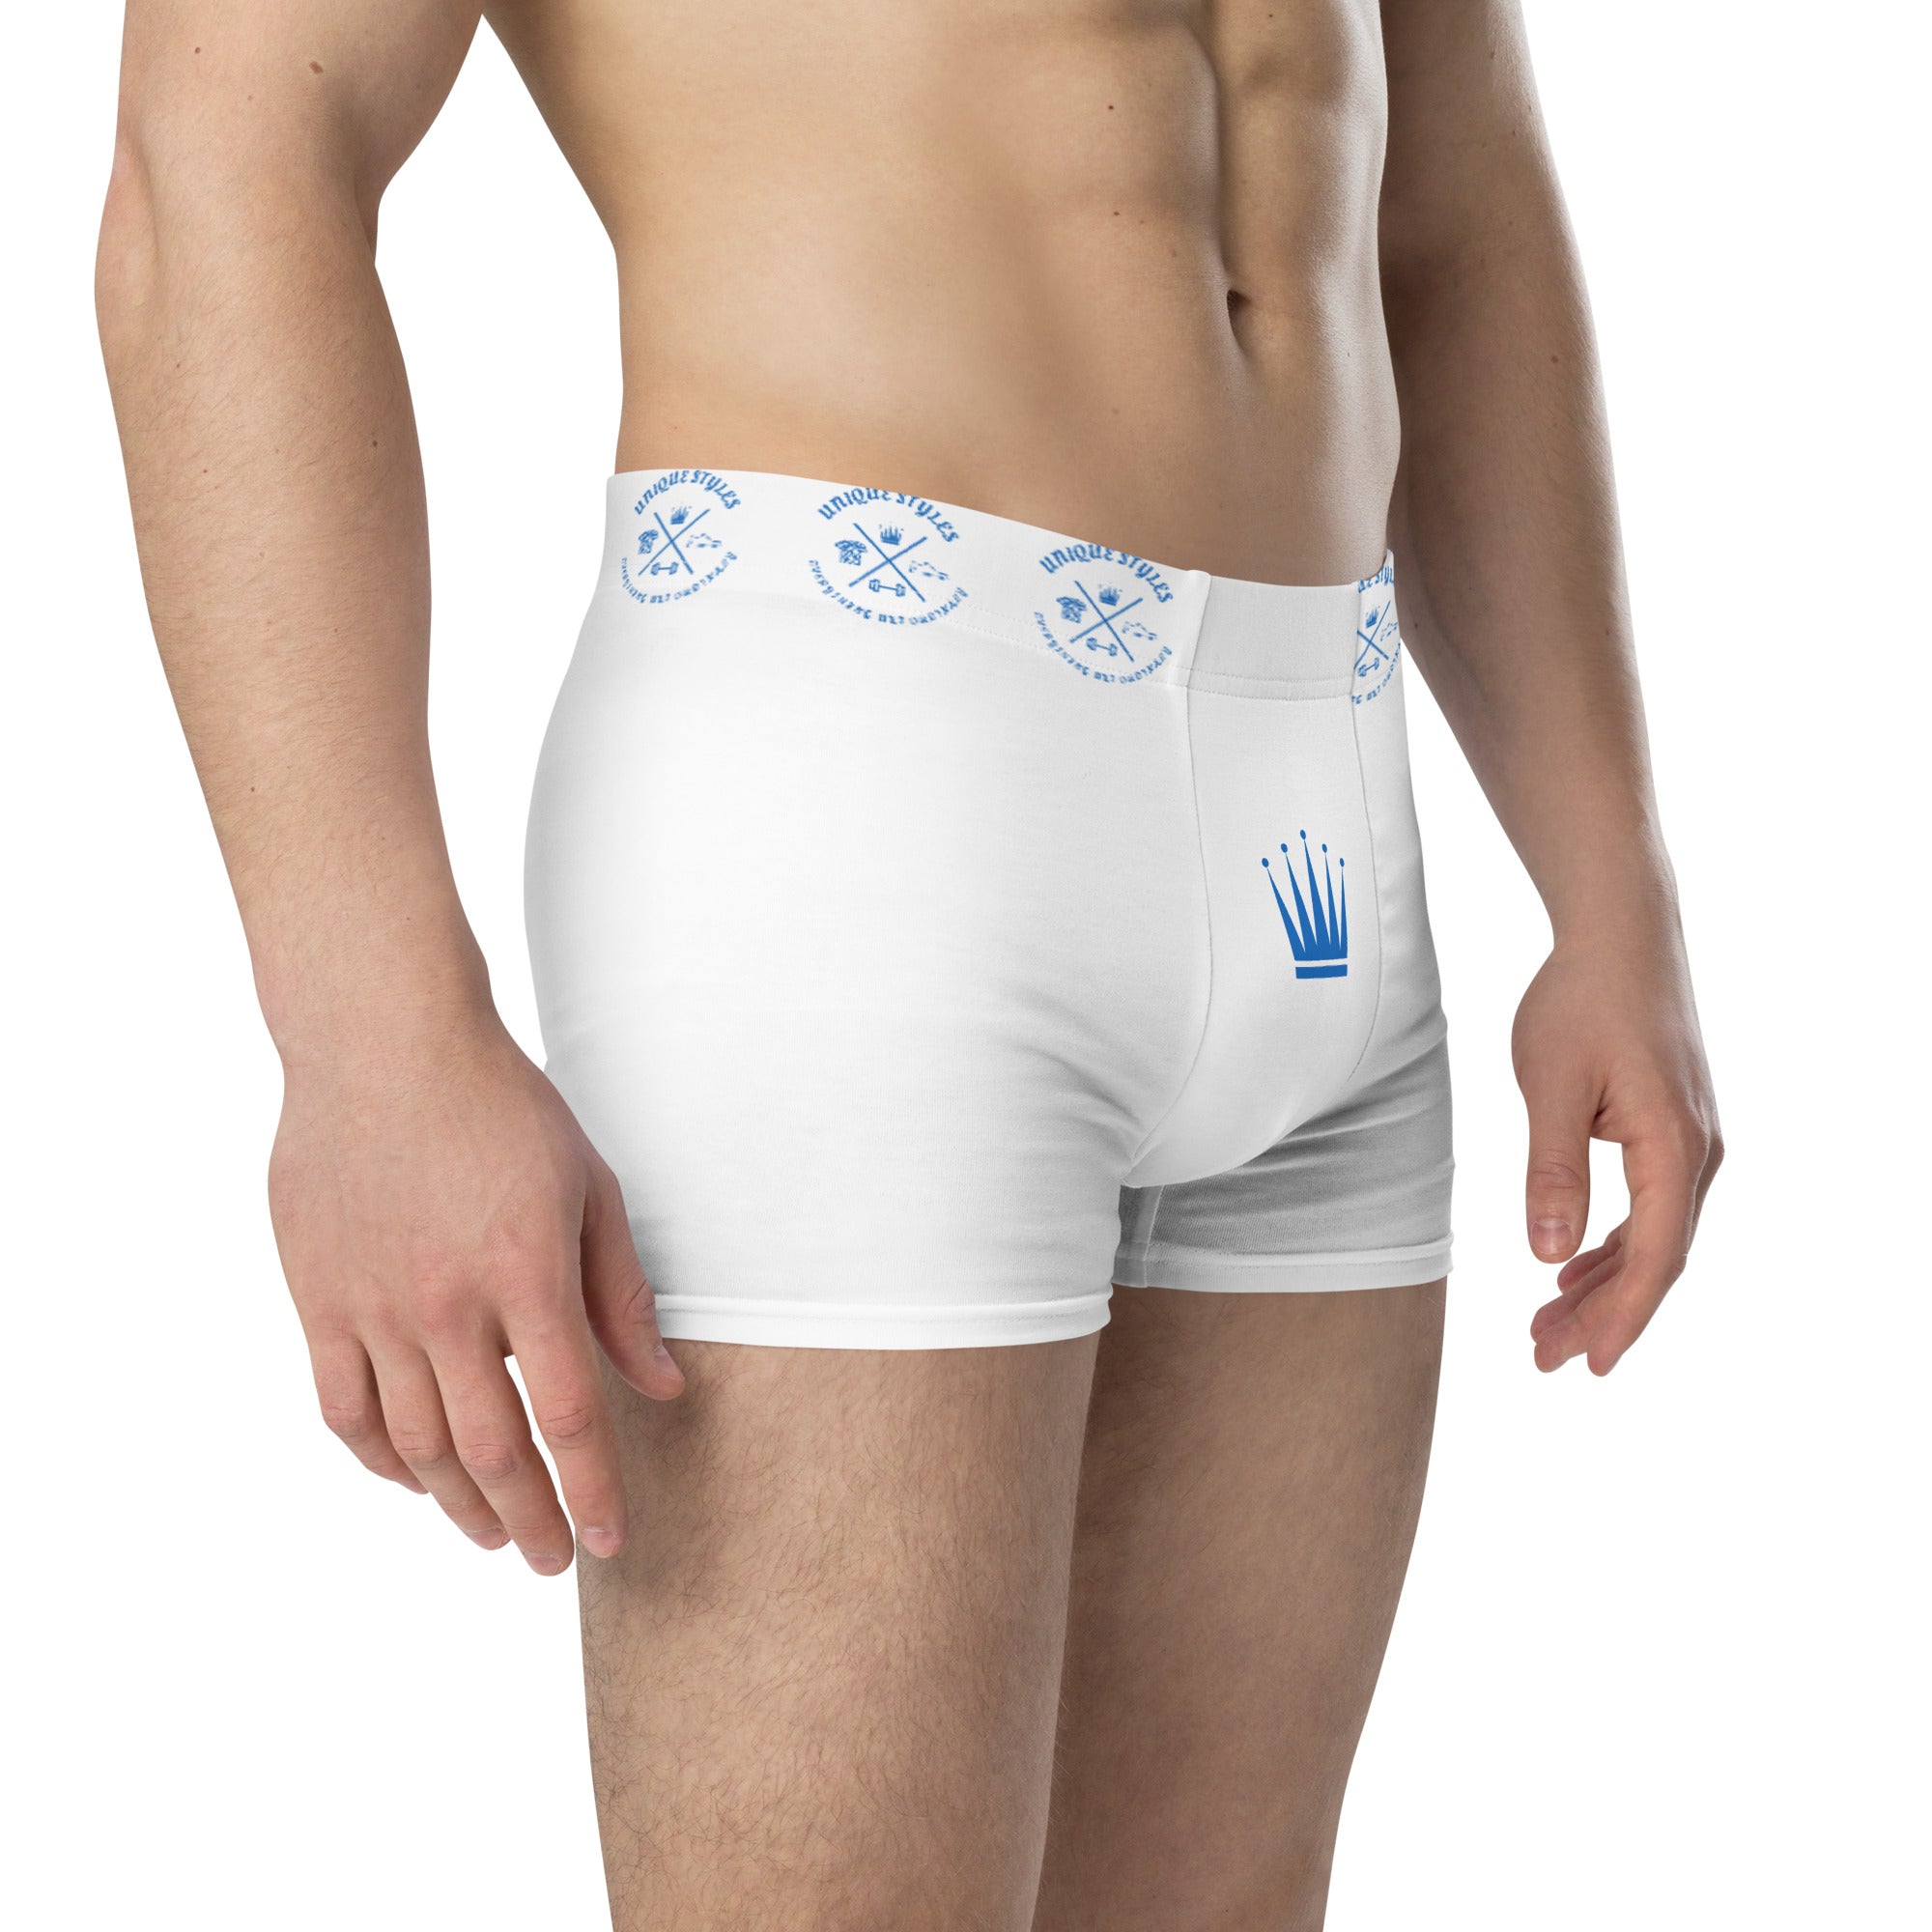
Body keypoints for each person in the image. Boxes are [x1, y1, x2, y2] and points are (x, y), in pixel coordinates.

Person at [96, 1, 1722, 1924]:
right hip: (856, 802)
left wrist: (1606, 878)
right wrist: (368, 1033)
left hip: (1323, 817)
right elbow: (226, 163)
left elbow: (1449, 196)